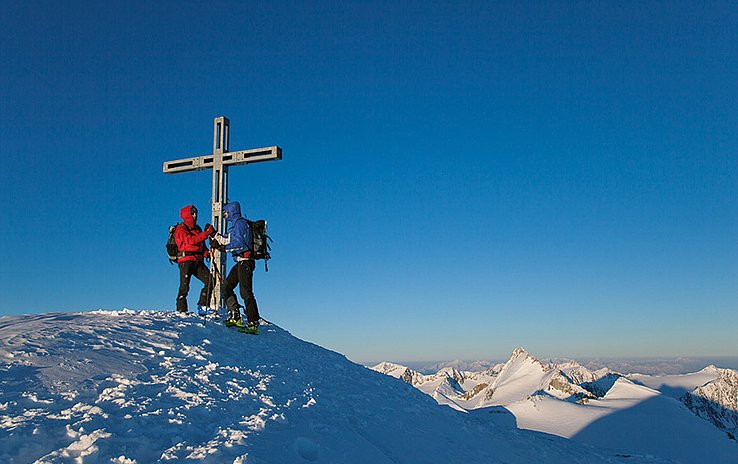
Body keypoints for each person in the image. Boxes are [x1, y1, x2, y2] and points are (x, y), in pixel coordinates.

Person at [211, 201, 261, 334]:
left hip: (246, 261)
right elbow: (229, 240)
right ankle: (235, 316)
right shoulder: (236, 226)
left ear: (231, 211)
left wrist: (222, 248)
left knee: (246, 291)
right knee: (226, 286)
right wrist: (214, 235)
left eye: (225, 212)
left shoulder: (240, 224)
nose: (224, 215)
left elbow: (239, 244)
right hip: (240, 262)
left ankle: (253, 323)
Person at [174, 205, 216, 315]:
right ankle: (181, 310)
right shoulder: (181, 228)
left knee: (210, 281)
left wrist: (206, 252)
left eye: (196, 213)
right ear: (186, 215)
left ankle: (203, 306)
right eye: (192, 213)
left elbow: (201, 244)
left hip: (198, 260)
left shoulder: (197, 229)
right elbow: (190, 241)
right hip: (185, 260)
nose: (195, 215)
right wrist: (206, 234)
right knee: (184, 286)